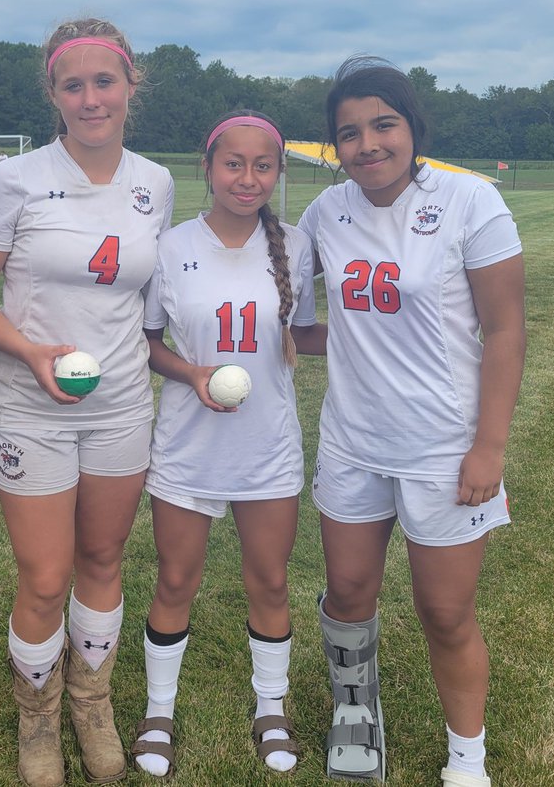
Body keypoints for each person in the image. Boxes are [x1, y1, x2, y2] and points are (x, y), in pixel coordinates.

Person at [296, 56, 525, 786]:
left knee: (446, 613)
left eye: (383, 125)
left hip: (444, 449)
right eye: (349, 133)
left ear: (412, 126)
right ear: (335, 147)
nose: (368, 145)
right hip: (353, 444)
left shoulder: (469, 201)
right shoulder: (324, 212)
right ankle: (357, 715)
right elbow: (295, 319)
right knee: (348, 594)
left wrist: (488, 446)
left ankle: (467, 759)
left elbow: (506, 330)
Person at [0, 17, 174, 787]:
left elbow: (148, 298)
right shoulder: (13, 180)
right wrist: (29, 351)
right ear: (53, 94)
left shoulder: (155, 182)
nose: (91, 99)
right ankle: (39, 715)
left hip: (121, 405)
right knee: (46, 577)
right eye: (73, 85)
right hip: (30, 405)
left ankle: (92, 702)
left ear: (130, 87)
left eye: (104, 82)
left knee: (103, 559)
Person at [131, 111, 323, 779]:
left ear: (278, 172)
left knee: (269, 581)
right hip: (188, 445)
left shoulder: (297, 247)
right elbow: (149, 343)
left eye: (262, 165)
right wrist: (191, 375)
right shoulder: (169, 246)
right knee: (176, 578)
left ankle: (271, 709)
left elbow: (311, 333)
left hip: (267, 447)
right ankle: (159, 712)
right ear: (207, 168)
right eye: (233, 163)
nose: (247, 177)